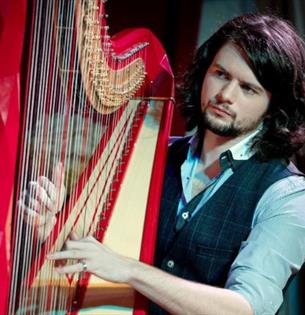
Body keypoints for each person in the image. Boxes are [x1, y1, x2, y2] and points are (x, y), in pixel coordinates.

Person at [20, 13, 305, 315]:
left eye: (248, 88)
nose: (225, 95)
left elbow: (245, 308)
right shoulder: (157, 154)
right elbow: (99, 262)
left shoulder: (287, 196)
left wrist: (131, 270)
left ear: (274, 108)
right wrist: (51, 228)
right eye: (221, 74)